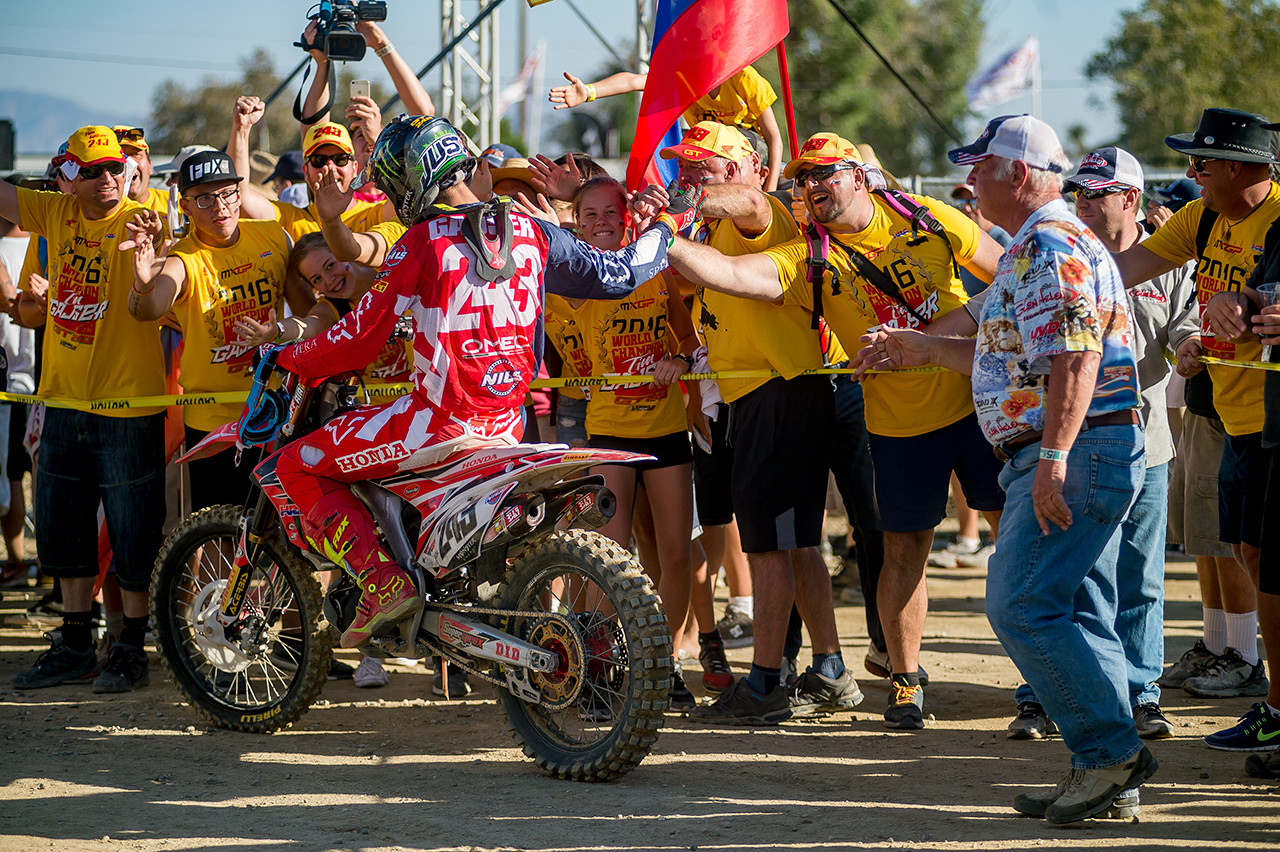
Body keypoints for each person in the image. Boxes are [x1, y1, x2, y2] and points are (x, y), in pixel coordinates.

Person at [259, 116, 677, 650]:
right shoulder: (532, 229)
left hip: (434, 426)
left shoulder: (419, 243)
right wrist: (664, 227)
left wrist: (294, 357)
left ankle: (384, 582)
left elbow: (360, 340)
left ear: (409, 180)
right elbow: (618, 275)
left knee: (297, 463)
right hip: (508, 426)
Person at [857, 115, 1156, 824]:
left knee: (1021, 604)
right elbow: (1013, 357)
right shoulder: (1043, 241)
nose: (970, 181)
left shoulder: (1049, 242)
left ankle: (1110, 754)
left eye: (981, 167)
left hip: (1073, 453)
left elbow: (1076, 357)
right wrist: (922, 348)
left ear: (1018, 173)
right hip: (1084, 449)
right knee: (1079, 612)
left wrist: (1050, 459)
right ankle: (1109, 775)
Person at [654, 130, 1007, 728]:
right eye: (805, 178)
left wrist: (943, 333)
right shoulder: (809, 254)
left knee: (1019, 539)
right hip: (897, 423)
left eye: (826, 173)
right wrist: (661, 233)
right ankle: (905, 682)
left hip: (978, 403)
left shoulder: (927, 219)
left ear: (860, 175)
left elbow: (1009, 277)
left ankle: (1040, 682)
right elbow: (734, 276)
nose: (814, 186)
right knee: (903, 554)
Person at [1005, 146, 1200, 742]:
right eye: (1080, 192)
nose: (1086, 202)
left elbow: (1187, 323)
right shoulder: (1064, 253)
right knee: (1075, 576)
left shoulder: (1164, 261)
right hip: (1073, 434)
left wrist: (1192, 346)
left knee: (1139, 576)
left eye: (1099, 193)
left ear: (1131, 199)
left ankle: (1140, 694)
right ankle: (1043, 694)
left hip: (1146, 438)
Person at [1109, 109, 1279, 748]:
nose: (1189, 174)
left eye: (1201, 163)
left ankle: (1261, 684)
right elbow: (1122, 272)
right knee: (1248, 554)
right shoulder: (1202, 217)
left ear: (1238, 165)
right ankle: (1263, 687)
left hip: (1274, 421)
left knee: (1267, 562)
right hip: (1232, 416)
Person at [1, 126, 167, 693]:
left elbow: (160, 244)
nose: (108, 179)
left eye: (115, 168)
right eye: (92, 170)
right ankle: (75, 644)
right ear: (70, 176)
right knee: (63, 531)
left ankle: (131, 650)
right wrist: (27, 304)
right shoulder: (55, 214)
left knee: (132, 535)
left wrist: (151, 251)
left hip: (128, 408)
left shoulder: (139, 220)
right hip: (65, 403)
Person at [568, 176, 701, 706]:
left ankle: (659, 666)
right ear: (575, 221)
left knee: (675, 554)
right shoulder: (569, 276)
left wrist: (681, 361)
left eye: (611, 212)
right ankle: (600, 668)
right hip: (608, 431)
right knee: (607, 556)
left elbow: (691, 339)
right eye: (590, 213)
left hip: (667, 429)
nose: (602, 221)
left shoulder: (654, 268)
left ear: (628, 216)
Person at [124, 151, 300, 512]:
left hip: (275, 412)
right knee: (214, 531)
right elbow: (150, 308)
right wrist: (142, 284)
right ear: (185, 207)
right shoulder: (184, 257)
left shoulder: (274, 238)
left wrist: (279, 331)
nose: (219, 206)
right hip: (212, 424)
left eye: (227, 194)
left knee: (276, 533)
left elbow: (311, 312)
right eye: (205, 198)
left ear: (240, 192)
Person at [550, 65, 784, 191]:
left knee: (719, 137)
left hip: (750, 150)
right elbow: (634, 81)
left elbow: (774, 137)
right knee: (688, 143)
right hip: (709, 156)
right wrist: (590, 91)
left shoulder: (744, 78)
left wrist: (771, 191)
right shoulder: (686, 78)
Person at [111, 126, 166, 213]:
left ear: (149, 165)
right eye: (120, 156)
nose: (129, 163)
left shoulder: (179, 204)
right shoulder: (89, 211)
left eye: (136, 154)